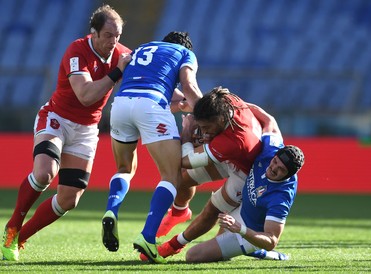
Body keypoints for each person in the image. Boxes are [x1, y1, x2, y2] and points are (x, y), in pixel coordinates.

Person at [1, 5, 131, 261]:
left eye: (117, 35)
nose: (113, 41)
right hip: (57, 118)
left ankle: (21, 236)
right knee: (44, 173)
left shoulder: (122, 53)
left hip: (86, 130)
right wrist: (117, 72)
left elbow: (143, 81)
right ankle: (13, 225)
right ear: (93, 33)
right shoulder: (78, 50)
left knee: (69, 199)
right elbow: (85, 96)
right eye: (108, 35)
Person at [100, 31, 203, 264]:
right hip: (150, 104)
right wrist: (205, 113)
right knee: (172, 175)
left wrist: (182, 104)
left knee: (125, 168)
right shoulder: (185, 53)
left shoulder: (144, 47)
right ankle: (148, 236)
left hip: (121, 104)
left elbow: (161, 87)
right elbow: (188, 85)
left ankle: (111, 210)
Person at [140, 86, 274, 261]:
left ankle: (174, 245)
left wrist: (188, 129)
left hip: (247, 174)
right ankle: (179, 212)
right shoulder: (227, 100)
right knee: (179, 178)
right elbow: (254, 109)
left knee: (212, 210)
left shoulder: (232, 141)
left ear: (220, 119)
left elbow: (185, 159)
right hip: (235, 157)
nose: (203, 131)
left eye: (206, 127)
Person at [186, 142, 305, 262]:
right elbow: (270, 125)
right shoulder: (271, 150)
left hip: (251, 233)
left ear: (288, 175)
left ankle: (258, 251)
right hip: (240, 212)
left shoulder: (280, 198)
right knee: (218, 243)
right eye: (275, 162)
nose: (274, 168)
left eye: (281, 170)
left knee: (193, 256)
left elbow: (271, 241)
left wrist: (241, 230)